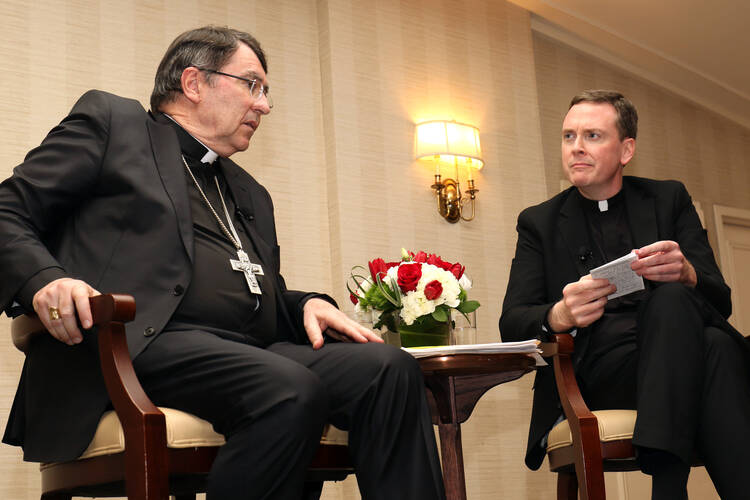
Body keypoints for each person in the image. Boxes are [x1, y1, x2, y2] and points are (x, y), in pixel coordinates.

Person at [0, 26, 445, 500]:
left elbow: (256, 285)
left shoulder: (250, 190)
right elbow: (8, 211)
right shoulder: (116, 125)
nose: (265, 106)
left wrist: (305, 305)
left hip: (246, 349)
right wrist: (46, 281)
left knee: (390, 369)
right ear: (193, 83)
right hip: (137, 342)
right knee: (289, 387)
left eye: (267, 92)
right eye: (252, 85)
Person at [500, 90, 750, 499]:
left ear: (626, 149)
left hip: (677, 357)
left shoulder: (669, 198)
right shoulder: (538, 222)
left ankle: (667, 484)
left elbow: (720, 301)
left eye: (593, 136)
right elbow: (512, 323)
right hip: (599, 372)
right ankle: (669, 486)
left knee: (682, 311)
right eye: (568, 136)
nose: (576, 147)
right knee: (717, 350)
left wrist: (688, 274)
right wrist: (561, 314)